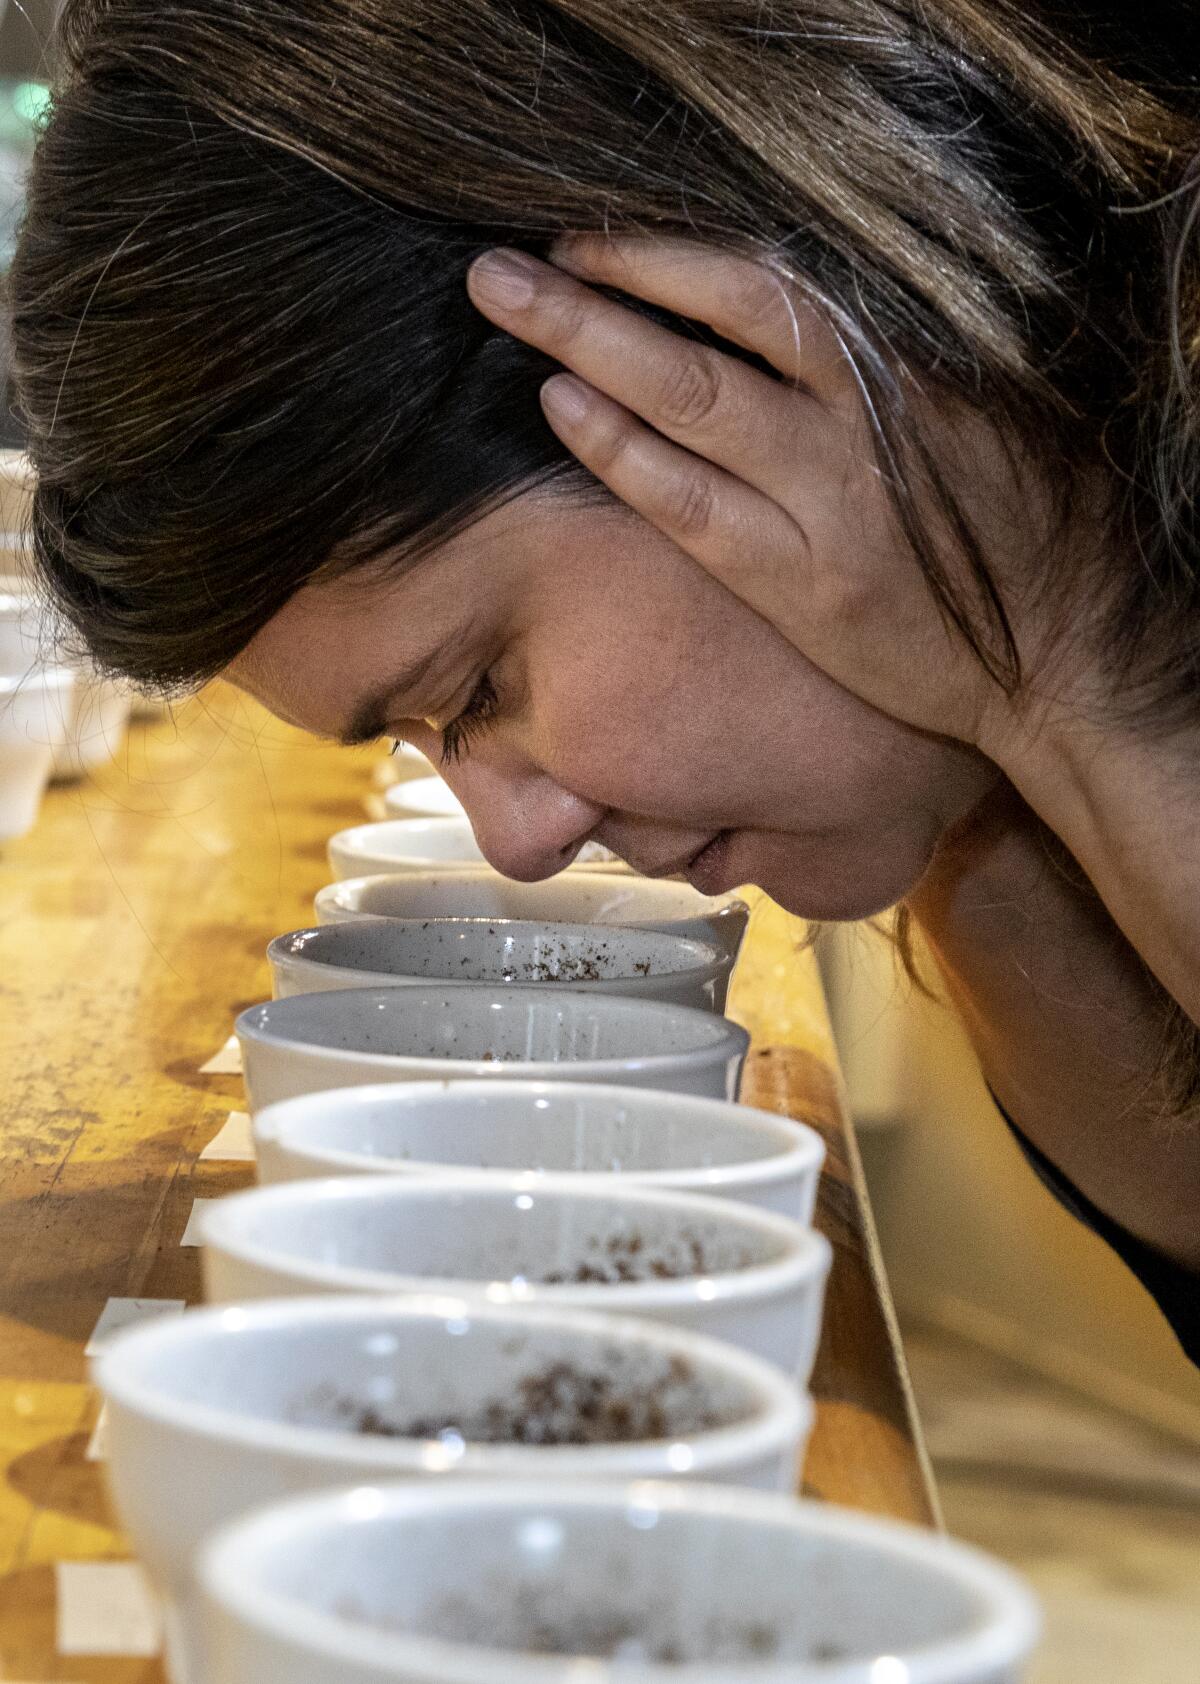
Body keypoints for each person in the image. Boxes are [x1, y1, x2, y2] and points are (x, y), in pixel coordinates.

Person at [9, 0, 1200, 1359]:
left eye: (480, 690)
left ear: (722, 338)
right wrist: (1011, 687)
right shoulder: (966, 735)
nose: (522, 844)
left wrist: (1072, 664)